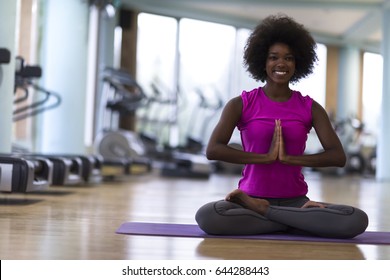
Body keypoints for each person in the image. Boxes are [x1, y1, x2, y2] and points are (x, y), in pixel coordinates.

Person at [195, 14, 369, 238]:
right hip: (249, 198)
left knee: (355, 220)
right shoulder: (241, 104)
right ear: (263, 62)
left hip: (295, 201)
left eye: (289, 58)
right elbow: (213, 150)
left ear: (297, 63)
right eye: (273, 57)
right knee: (209, 215)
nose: (281, 63)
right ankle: (296, 222)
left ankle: (268, 213)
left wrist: (291, 159)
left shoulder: (310, 107)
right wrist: (265, 157)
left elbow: (338, 156)